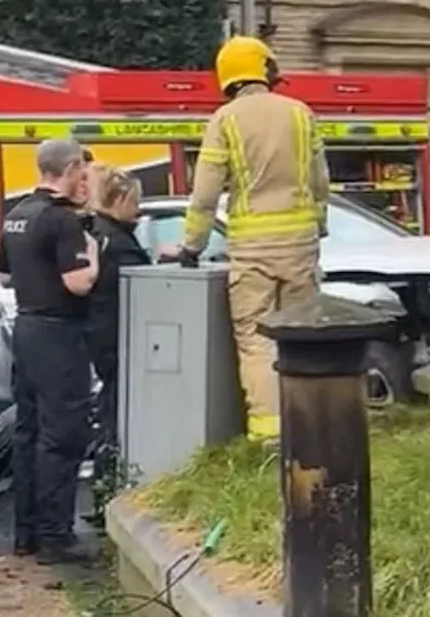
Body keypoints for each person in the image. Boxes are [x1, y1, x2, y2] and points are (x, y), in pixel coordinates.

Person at [168, 36, 330, 442]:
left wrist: (191, 247)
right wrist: (318, 227)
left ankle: (268, 435)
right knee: (304, 336)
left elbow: (205, 197)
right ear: (263, 69)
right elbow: (320, 182)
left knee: (258, 343)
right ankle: (308, 428)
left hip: (252, 252)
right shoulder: (301, 114)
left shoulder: (224, 121)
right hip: (300, 247)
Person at [0, 138, 100, 565]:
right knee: (63, 435)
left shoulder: (16, 214)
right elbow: (78, 283)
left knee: (29, 432)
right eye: (82, 171)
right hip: (59, 335)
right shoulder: (62, 221)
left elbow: (2, 277)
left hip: (26, 330)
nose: (84, 179)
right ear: (71, 168)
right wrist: (92, 256)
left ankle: (26, 533)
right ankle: (56, 537)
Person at [82, 166, 151, 520]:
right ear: (120, 200)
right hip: (117, 340)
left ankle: (103, 492)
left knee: (109, 411)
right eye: (135, 203)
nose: (137, 211)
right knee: (114, 415)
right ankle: (107, 496)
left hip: (100, 337)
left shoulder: (97, 233)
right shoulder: (119, 244)